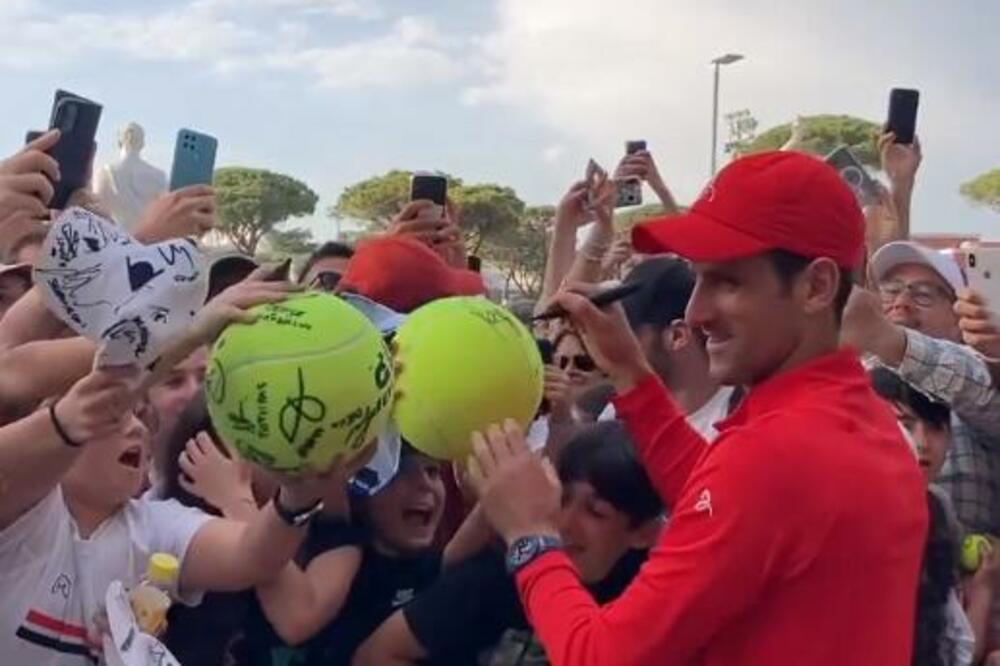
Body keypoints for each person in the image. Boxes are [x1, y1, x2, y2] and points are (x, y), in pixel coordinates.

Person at [466, 151, 927, 665]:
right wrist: (632, 372)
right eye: (698, 278)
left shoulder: (774, 453)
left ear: (816, 287)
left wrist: (530, 534)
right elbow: (735, 504)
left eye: (727, 282)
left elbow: (598, 655)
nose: (695, 311)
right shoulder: (863, 420)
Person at [353, 421, 663, 666]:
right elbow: (376, 655)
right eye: (561, 498)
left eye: (595, 512)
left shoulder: (662, 604)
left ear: (644, 533)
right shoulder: (498, 577)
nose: (564, 522)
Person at [844, 240, 1000, 537]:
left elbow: (982, 391)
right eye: (891, 290)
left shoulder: (982, 380)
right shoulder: (846, 380)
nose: (902, 303)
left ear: (960, 316)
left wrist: (890, 340)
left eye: (924, 295)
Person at [598, 256, 738, 440]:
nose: (620, 345)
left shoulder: (741, 419)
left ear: (677, 336)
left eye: (630, 333)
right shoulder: (616, 416)